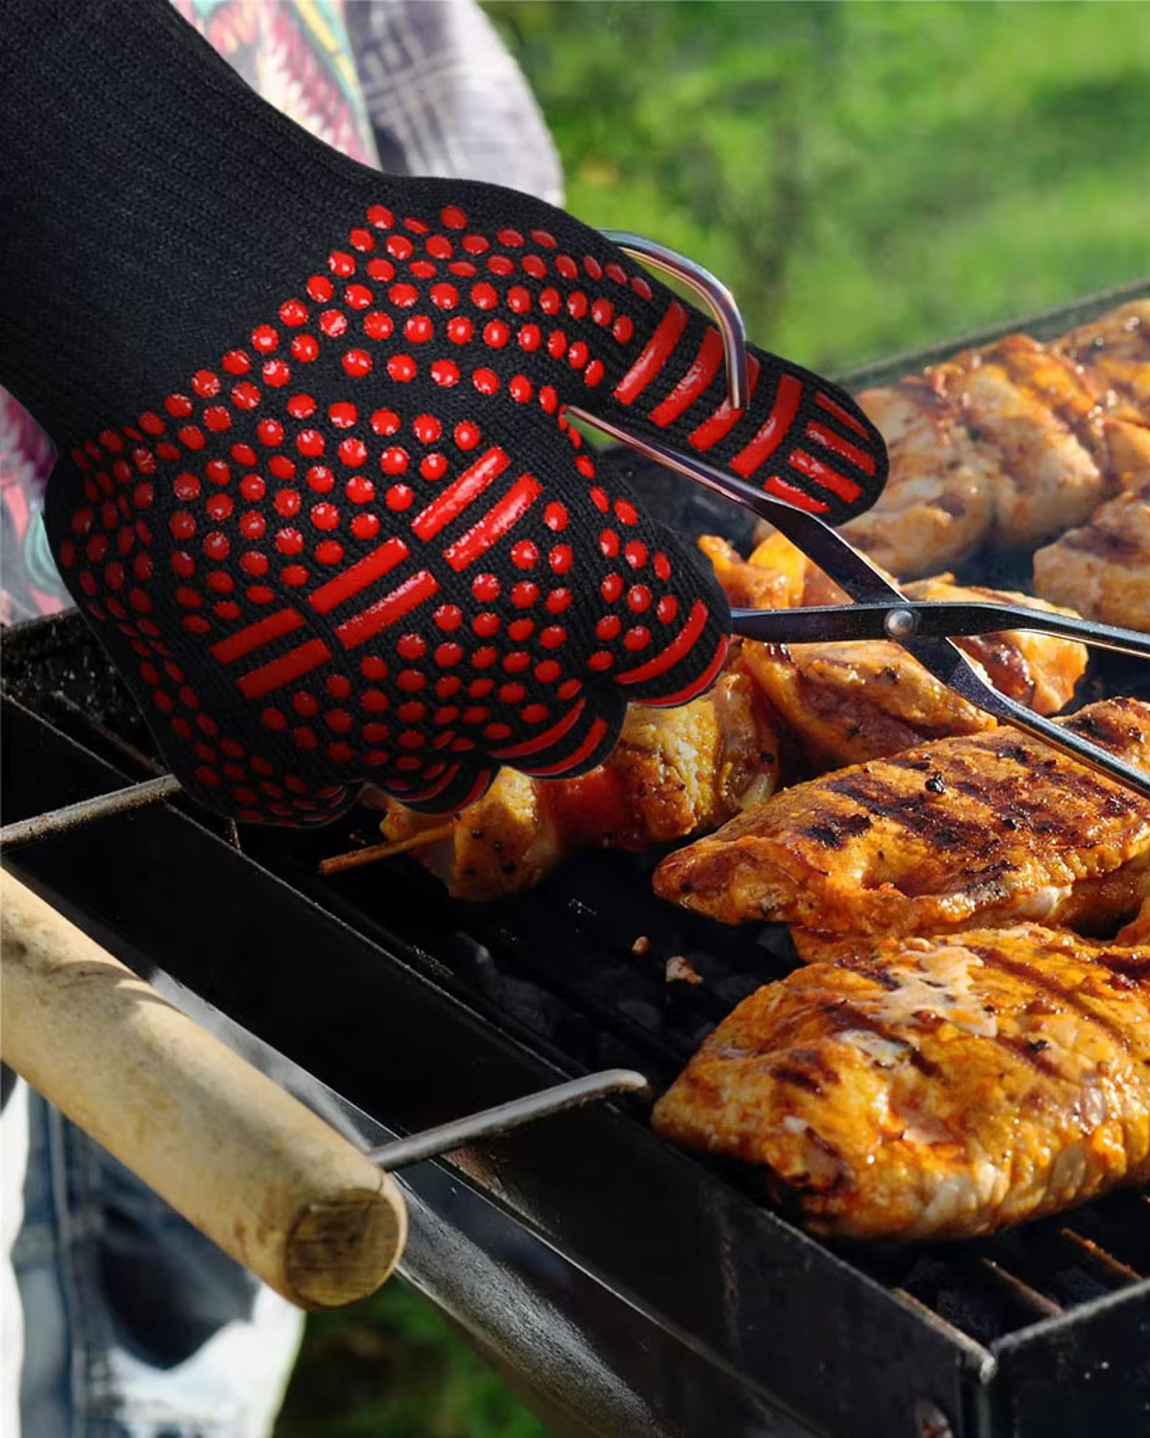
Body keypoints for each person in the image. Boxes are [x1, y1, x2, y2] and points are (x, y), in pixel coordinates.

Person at [0, 3, 887, 1434]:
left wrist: (387, 253)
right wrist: (122, 198)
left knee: (178, 1313)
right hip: (209, 433)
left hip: (269, 593)